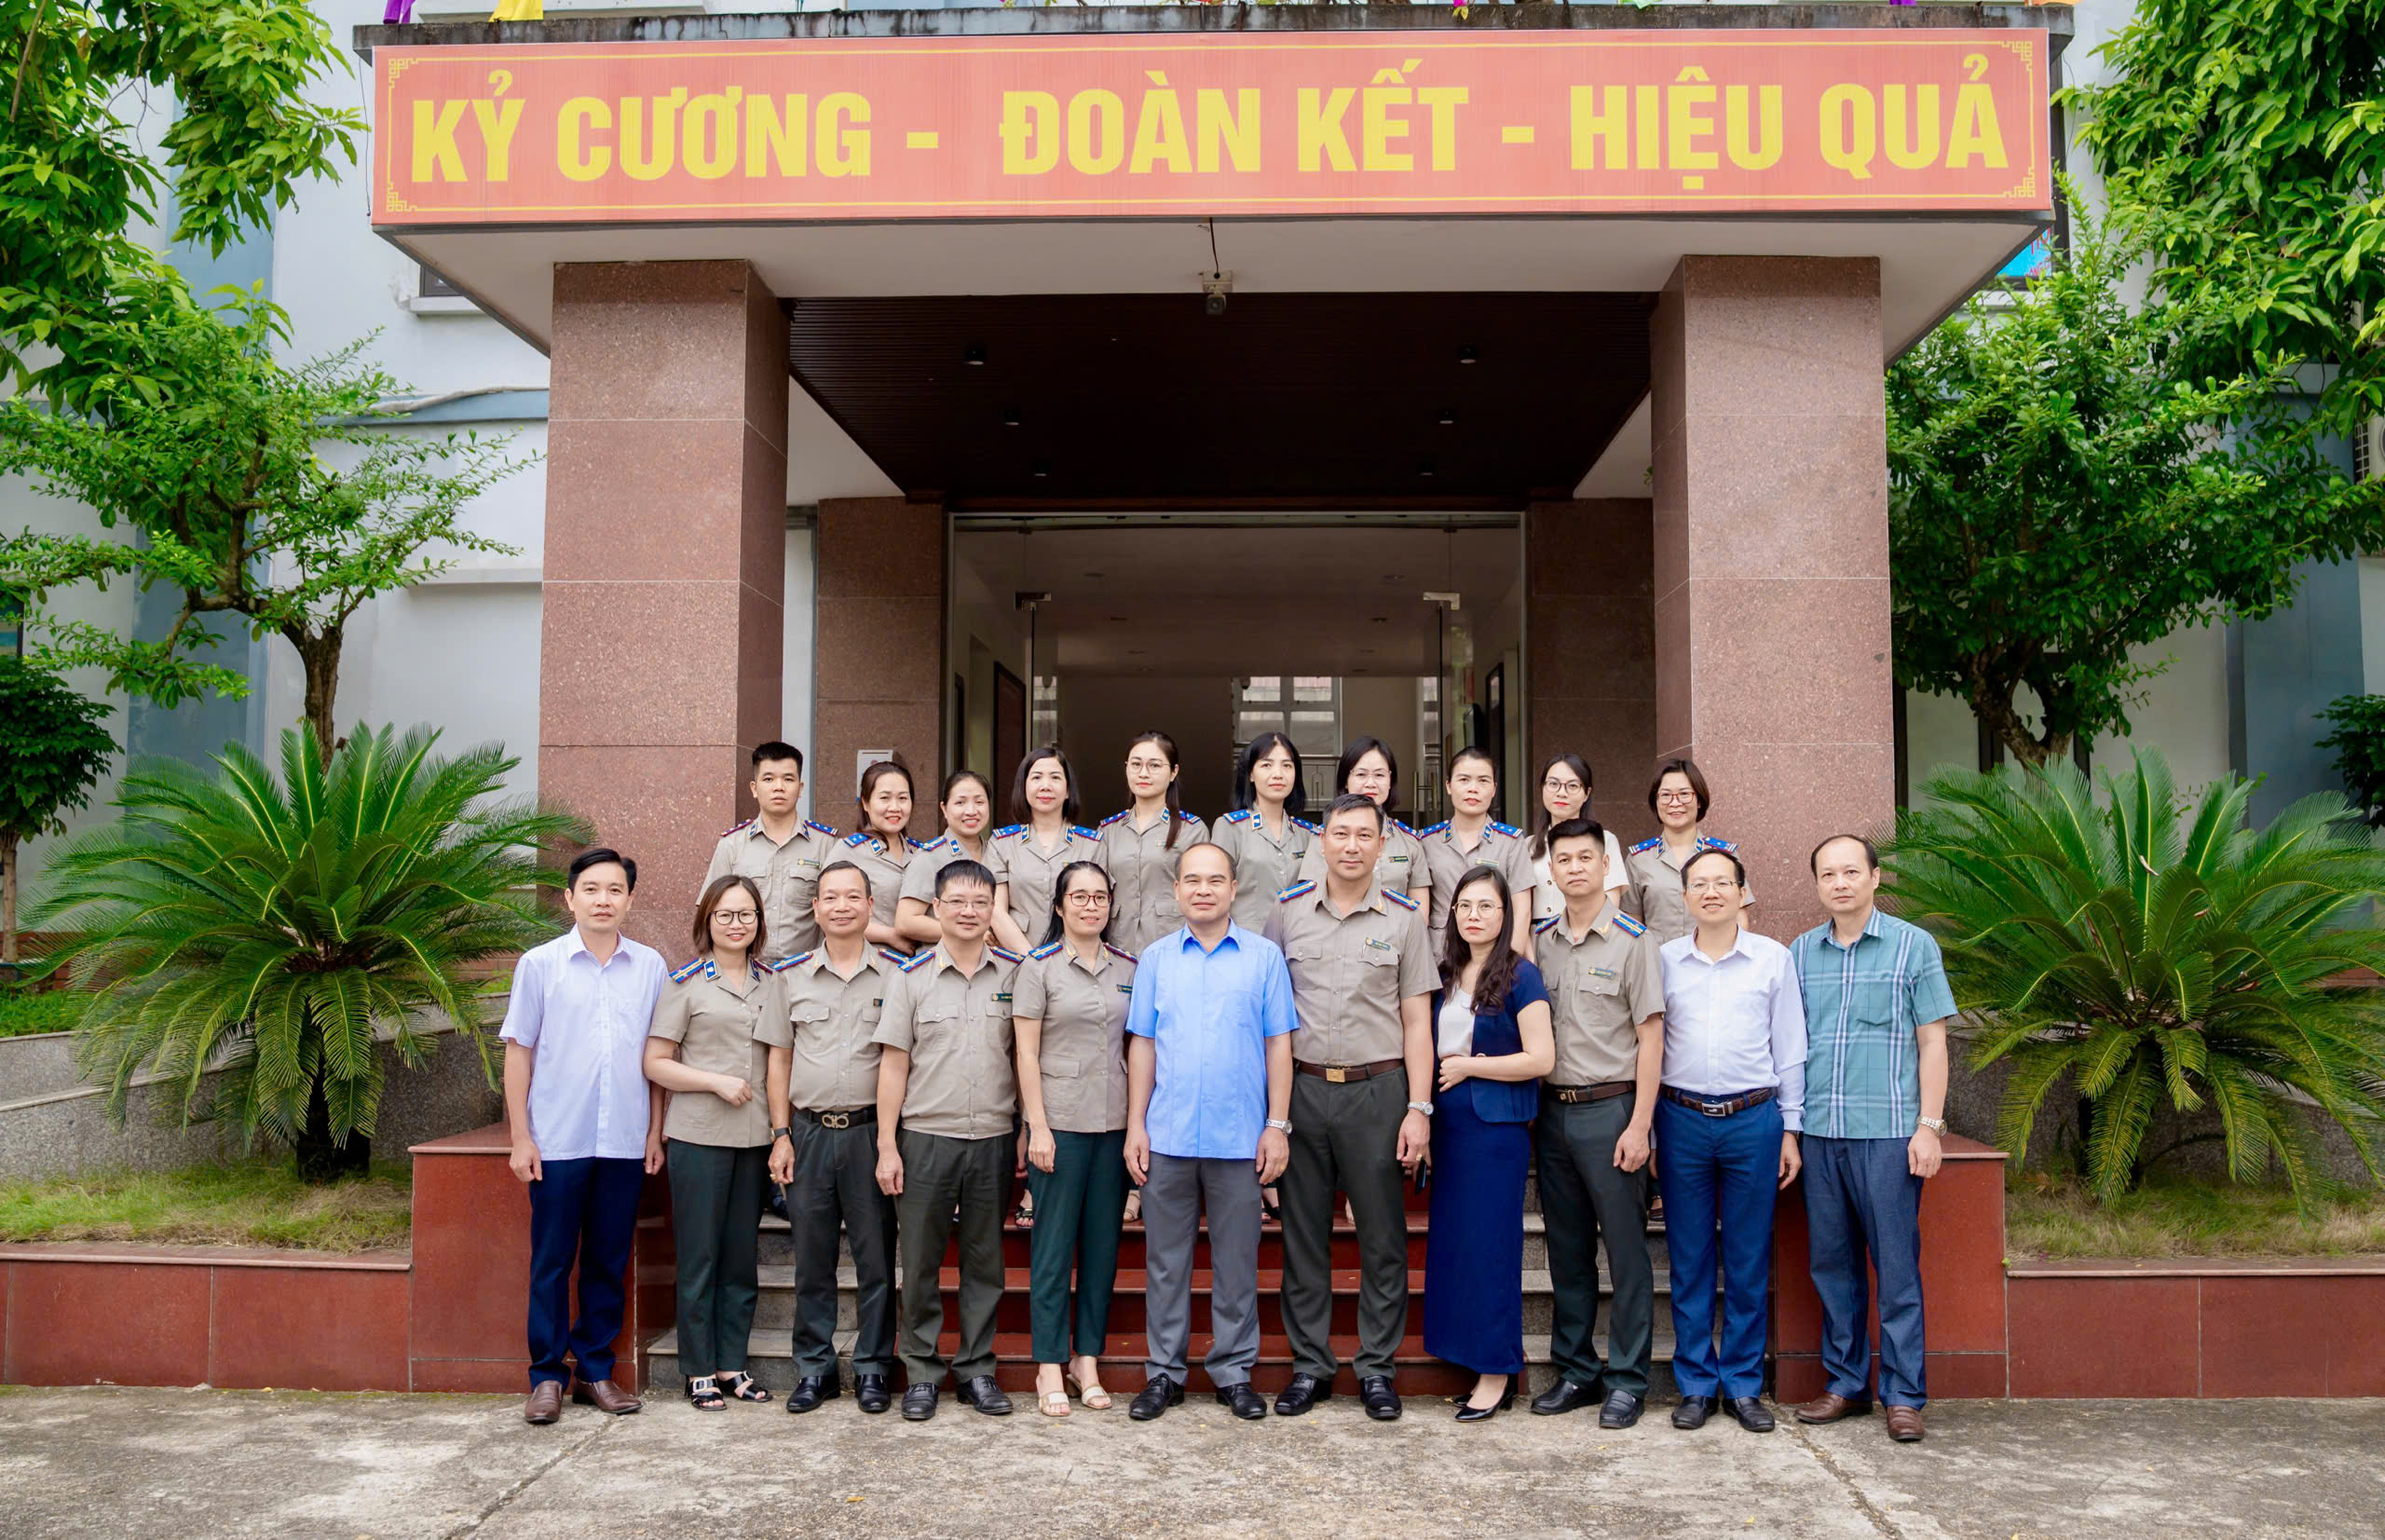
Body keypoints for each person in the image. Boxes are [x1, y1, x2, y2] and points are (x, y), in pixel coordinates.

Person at [1264, 793, 1438, 1422]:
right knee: (1303, 1236)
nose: (1352, 846)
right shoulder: (1287, 913)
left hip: (1377, 1091)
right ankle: (1310, 1366)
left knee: (1383, 1238)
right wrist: (1271, 1114)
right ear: (1323, 839)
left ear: (1382, 843)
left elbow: (1417, 1022)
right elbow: (1270, 1019)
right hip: (1304, 1090)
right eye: (1341, 833)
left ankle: (1376, 1368)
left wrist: (1419, 1107)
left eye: (1365, 834)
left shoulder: (1404, 919)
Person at [1789, 834, 1956, 1445]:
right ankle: (1846, 1383)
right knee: (1832, 1266)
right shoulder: (1801, 952)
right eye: (1828, 874)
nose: (1840, 883)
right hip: (1821, 1134)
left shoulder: (1914, 946)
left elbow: (1933, 1041)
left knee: (1896, 1267)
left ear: (1875, 877)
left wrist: (1929, 1127)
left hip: (1888, 1135)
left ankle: (1904, 1395)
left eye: (1851, 871)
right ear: (1817, 884)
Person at [1121, 841, 1296, 1423]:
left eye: (1215, 880)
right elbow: (1143, 1045)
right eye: (1192, 880)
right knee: (1165, 1263)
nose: (1203, 890)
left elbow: (1278, 1044)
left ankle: (1233, 1373)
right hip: (1168, 1135)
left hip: (1239, 1138)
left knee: (1237, 1263)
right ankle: (1164, 1374)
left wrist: (1276, 1125)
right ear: (1176, 890)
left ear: (1234, 889)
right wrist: (1136, 1125)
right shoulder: (1155, 960)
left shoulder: (1264, 959)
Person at [500, 848, 667, 1425]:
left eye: (615, 890)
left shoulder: (650, 967)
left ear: (630, 900)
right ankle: (546, 1377)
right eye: (591, 889)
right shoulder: (539, 965)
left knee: (606, 1261)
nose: (603, 900)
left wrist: (654, 1131)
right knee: (551, 1262)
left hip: (623, 1141)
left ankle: (595, 1371)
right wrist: (521, 1138)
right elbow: (518, 1054)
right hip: (557, 1140)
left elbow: (656, 1058)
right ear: (570, 899)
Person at [1656, 845, 1806, 1435]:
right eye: (1700, 883)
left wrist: (1790, 1128)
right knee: (1689, 1257)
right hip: (1681, 1119)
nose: (1712, 892)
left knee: (1746, 1257)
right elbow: (1650, 1046)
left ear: (1743, 892)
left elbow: (1790, 1048)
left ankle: (1742, 1384)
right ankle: (1695, 1384)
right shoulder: (1664, 960)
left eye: (1723, 882)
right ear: (1685, 896)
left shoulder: (1773, 959)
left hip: (1753, 1119)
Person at [872, 859, 1025, 1420]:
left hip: (992, 1138)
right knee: (919, 1264)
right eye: (957, 901)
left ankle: (977, 1369)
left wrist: (1026, 1129)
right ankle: (921, 1372)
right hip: (925, 1139)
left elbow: (1022, 1058)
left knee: (985, 1265)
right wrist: (887, 1145)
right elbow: (893, 1065)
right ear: (936, 908)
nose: (968, 911)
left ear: (992, 911)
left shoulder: (1012, 976)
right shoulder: (909, 978)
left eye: (981, 902)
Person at [1527, 818, 1666, 1428]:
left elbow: (1651, 1036)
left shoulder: (1634, 941)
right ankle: (1577, 1370)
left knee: (1627, 1252)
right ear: (1551, 871)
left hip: (1612, 1110)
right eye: (1564, 859)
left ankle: (1628, 1380)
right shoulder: (1541, 941)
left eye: (1586, 857)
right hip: (1553, 1113)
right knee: (1568, 1250)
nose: (1575, 868)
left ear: (1605, 866)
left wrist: (1641, 1125)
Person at [765, 859, 908, 1415]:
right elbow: (779, 1061)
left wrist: (890, 1142)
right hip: (809, 1134)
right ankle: (814, 1369)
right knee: (812, 1260)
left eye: (853, 896)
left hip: (871, 1133)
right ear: (816, 908)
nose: (841, 906)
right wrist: (781, 1134)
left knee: (876, 1261)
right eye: (830, 897)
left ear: (871, 906)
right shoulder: (790, 977)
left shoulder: (897, 975)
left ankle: (873, 1367)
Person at [645, 876, 785, 1409]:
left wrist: (780, 1134)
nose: (736, 924)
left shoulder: (772, 982)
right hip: (699, 1137)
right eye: (724, 914)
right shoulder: (685, 983)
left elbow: (779, 1062)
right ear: (707, 920)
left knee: (740, 1258)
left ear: (759, 922)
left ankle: (732, 1366)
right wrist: (713, 1081)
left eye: (746, 914)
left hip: (753, 1139)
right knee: (700, 1256)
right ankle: (698, 1369)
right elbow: (655, 1062)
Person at [1422, 865, 1554, 1422]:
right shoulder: (1446, 973)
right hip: (1449, 1126)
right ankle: (1468, 1359)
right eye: (1465, 906)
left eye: (1487, 907)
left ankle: (1497, 1373)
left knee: (1492, 1250)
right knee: (1457, 1248)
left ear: (1506, 915)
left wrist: (1472, 1066)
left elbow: (1541, 1058)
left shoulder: (1522, 975)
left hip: (1495, 1132)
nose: (1474, 916)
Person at [1014, 861, 1138, 1417]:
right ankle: (1048, 1363)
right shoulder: (1038, 968)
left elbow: (1137, 1048)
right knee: (1053, 1248)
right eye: (1079, 896)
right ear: (1059, 906)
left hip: (1113, 1123)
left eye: (1100, 896)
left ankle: (1086, 1359)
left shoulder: (1129, 968)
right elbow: (1026, 1053)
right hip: (1059, 1125)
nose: (1091, 905)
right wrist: (1037, 1126)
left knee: (1102, 1249)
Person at [704, 741, 842, 962]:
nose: (779, 787)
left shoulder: (827, 844)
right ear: (754, 788)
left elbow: (840, 913)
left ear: (800, 788)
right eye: (768, 779)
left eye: (788, 779)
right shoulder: (731, 845)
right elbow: (709, 914)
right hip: (746, 972)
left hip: (806, 973)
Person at [1096, 730, 1208, 953]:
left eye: (1155, 765)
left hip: (1174, 948)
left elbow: (1203, 894)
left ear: (1174, 772)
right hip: (1118, 948)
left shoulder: (1191, 830)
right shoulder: (1108, 831)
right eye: (1136, 764)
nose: (1143, 773)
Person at [1419, 746, 1535, 957]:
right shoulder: (1427, 841)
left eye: (1483, 781)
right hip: (1439, 956)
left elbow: (1522, 912)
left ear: (1494, 789)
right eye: (1464, 780)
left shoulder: (1510, 842)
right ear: (1448, 786)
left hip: (1494, 955)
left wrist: (1506, 965)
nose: (1473, 788)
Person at [898, 768, 1029, 954]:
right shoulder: (930, 857)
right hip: (945, 964)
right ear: (944, 808)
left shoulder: (998, 852)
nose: (971, 811)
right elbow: (906, 921)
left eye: (979, 802)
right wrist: (971, 932)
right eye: (960, 802)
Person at [1629, 758, 1752, 944]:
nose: (1675, 803)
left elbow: (1739, 917)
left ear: (1699, 800)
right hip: (1657, 959)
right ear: (1656, 801)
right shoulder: (1639, 859)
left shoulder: (1724, 855)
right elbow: (1632, 923)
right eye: (1666, 795)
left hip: (1712, 957)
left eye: (1684, 794)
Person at [992, 746, 1104, 954]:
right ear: (1023, 787)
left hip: (1075, 959)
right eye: (1036, 778)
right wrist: (1032, 961)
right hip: (1018, 959)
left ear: (1068, 790)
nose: (1045, 786)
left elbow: (1097, 908)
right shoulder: (1001, 843)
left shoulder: (1092, 844)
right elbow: (996, 910)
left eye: (1055, 778)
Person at [1296, 737, 1429, 905]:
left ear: (1390, 781)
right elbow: (1308, 904)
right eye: (1361, 774)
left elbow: (1419, 910)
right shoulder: (1321, 839)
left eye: (1379, 775)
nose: (1370, 783)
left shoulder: (1409, 842)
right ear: (1346, 780)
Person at [1209, 731, 1318, 930]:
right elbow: (1215, 892)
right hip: (1246, 940)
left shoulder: (1307, 833)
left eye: (1287, 766)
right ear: (1251, 774)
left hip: (1296, 940)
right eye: (1267, 765)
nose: (1278, 774)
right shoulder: (1230, 828)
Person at [1527, 752, 1632, 922]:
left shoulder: (1605, 840)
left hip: (1587, 933)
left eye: (1572, 786)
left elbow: (1611, 904)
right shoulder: (1527, 845)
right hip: (1536, 936)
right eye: (1553, 784)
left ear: (1586, 793)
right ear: (1542, 788)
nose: (1561, 793)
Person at [843, 758, 928, 951]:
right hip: (871, 962)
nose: (895, 807)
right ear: (865, 803)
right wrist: (889, 936)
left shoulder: (921, 853)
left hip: (919, 964)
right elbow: (829, 916)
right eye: (884, 798)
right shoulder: (848, 851)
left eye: (903, 798)